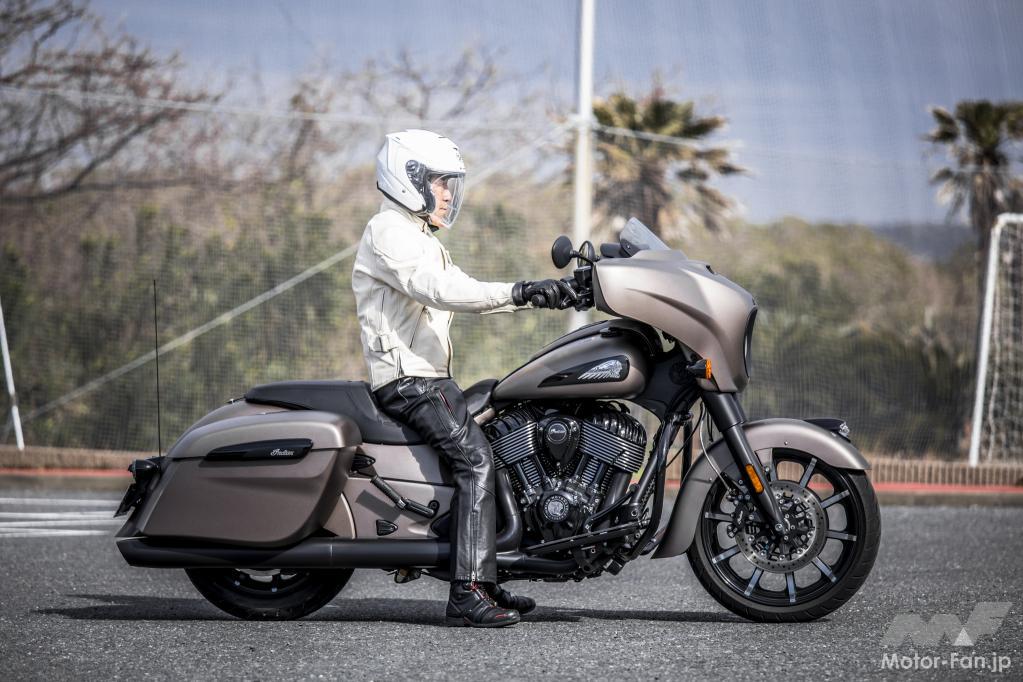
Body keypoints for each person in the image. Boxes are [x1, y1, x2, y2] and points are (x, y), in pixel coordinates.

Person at [352, 129, 576, 628]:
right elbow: (440, 290)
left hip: (430, 377)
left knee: (501, 434)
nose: (448, 194)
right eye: (439, 182)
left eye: (450, 184)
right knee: (475, 460)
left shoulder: (417, 236)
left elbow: (462, 287)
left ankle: (486, 578)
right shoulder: (388, 231)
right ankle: (467, 592)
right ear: (409, 179)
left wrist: (536, 295)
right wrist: (521, 291)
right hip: (410, 382)